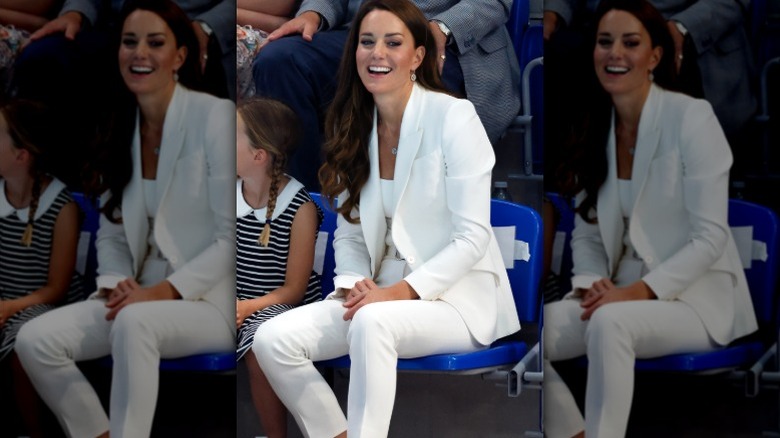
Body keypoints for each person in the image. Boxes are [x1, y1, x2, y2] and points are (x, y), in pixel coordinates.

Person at [253, 0, 520, 436]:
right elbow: (350, 234)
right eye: (366, 42)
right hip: (377, 293)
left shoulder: (455, 116)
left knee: (374, 322)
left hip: (454, 299)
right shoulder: (351, 124)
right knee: (272, 339)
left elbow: (472, 237)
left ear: (418, 56)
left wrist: (398, 292)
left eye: (393, 43)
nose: (377, 53)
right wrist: (353, 284)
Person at [14, 1, 235, 437]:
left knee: (135, 323)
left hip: (207, 299)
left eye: (155, 43)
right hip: (136, 295)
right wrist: (115, 284)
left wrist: (160, 293)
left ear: (180, 56)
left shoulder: (215, 117)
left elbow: (230, 243)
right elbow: (112, 234)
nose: (140, 54)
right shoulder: (118, 124)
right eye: (129, 42)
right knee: (34, 340)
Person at [543, 1, 759, 437]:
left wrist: (635, 292)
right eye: (605, 43)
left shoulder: (692, 118)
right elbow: (586, 231)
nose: (614, 53)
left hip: (693, 301)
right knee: (533, 328)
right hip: (617, 294)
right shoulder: (595, 124)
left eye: (630, 43)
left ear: (655, 56)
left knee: (610, 322)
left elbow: (709, 238)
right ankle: (575, 432)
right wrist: (590, 283)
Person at [252, 0, 520, 190]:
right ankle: (305, 205)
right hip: (365, 36)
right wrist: (313, 13)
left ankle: (406, 225)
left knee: (398, 73)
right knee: (280, 59)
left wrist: (441, 28)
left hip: (447, 45)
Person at [236, 96, 323, 438]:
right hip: (240, 303)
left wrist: (246, 307)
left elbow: (293, 290)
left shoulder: (299, 207)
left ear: (258, 156)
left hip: (281, 306)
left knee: (258, 341)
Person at [0, 99, 84, 438]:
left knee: (25, 344)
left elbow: (56, 287)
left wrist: (9, 307)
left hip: (44, 306)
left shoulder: (61, 206)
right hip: (6, 302)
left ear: (21, 155)